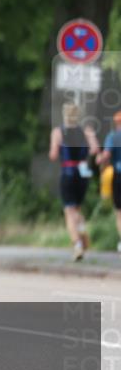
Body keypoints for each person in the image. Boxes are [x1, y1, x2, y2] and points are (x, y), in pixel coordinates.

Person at [49, 103, 99, 261]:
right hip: (82, 173)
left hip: (68, 172)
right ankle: (82, 230)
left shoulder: (58, 132)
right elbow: (95, 149)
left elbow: (53, 155)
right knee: (76, 209)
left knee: (69, 212)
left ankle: (77, 245)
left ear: (64, 115)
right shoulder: (85, 131)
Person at [98, 111, 121, 253]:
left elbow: (105, 156)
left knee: (119, 211)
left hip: (119, 175)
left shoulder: (112, 137)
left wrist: (99, 160)